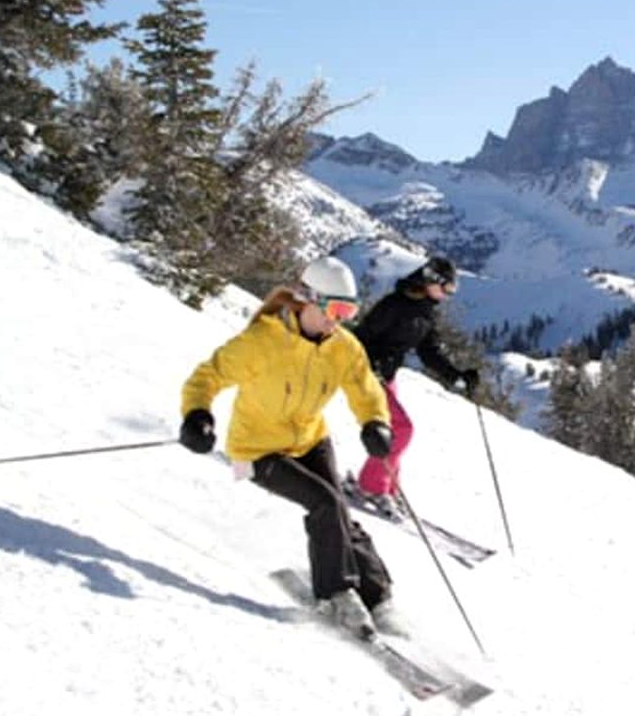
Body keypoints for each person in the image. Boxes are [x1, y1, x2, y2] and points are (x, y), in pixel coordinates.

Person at [177, 256, 401, 637]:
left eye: (349, 310)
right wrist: (197, 415)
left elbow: (365, 389)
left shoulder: (344, 347)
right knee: (324, 503)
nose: (340, 319)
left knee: (339, 512)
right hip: (257, 449)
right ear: (307, 300)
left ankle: (378, 595)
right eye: (335, 308)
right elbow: (207, 377)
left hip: (310, 439)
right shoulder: (263, 341)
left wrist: (375, 423)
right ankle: (335, 594)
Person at [349, 256, 479, 519]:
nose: (448, 295)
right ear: (431, 280)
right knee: (401, 429)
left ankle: (388, 487)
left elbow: (429, 351)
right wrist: (370, 366)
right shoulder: (394, 305)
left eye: (452, 290)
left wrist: (457, 376)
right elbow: (361, 337)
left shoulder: (425, 312)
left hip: (388, 376)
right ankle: (371, 487)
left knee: (394, 434)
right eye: (447, 288)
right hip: (368, 374)